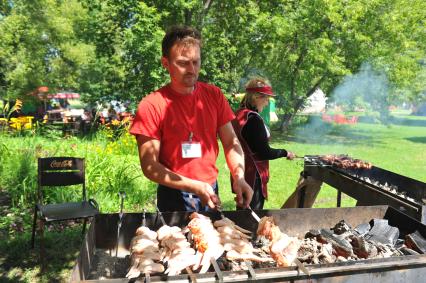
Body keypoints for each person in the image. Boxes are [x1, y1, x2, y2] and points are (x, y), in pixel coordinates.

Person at [129, 25, 253, 212]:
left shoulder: (214, 95)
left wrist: (239, 176)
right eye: (183, 63)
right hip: (174, 194)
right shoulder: (152, 105)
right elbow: (150, 166)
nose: (191, 69)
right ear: (165, 63)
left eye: (196, 62)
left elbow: (230, 142)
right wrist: (193, 186)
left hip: (210, 188)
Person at [232, 77, 296, 210]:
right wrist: (285, 152)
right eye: (266, 98)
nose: (267, 103)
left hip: (240, 171)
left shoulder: (238, 114)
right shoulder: (253, 119)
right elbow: (264, 152)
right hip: (253, 175)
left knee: (243, 212)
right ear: (256, 97)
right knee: (252, 216)